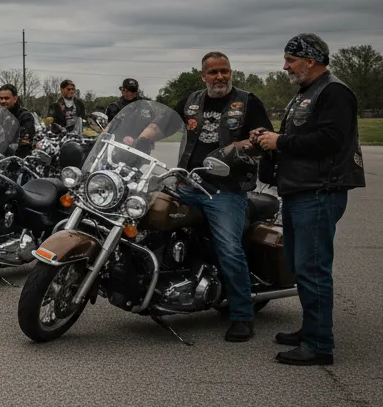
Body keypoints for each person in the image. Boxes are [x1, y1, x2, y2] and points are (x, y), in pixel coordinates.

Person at [140, 51, 272, 343]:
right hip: (188, 184)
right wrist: (142, 137)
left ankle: (241, 315)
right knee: (148, 219)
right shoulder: (191, 101)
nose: (220, 77)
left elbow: (264, 136)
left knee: (228, 246)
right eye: (213, 72)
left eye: (224, 71)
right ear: (203, 75)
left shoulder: (247, 101)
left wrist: (245, 144)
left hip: (225, 190)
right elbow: (164, 123)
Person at [253, 33, 366, 366]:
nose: (285, 66)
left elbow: (331, 140)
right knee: (299, 265)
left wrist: (280, 142)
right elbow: (302, 136)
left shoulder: (334, 92)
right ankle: (310, 328)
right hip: (300, 189)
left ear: (311, 60)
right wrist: (268, 140)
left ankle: (319, 344)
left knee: (313, 269)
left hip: (320, 192)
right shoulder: (307, 92)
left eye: (291, 60)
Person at [0, 84, 37, 157]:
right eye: (1, 98)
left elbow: (26, 140)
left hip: (18, 160)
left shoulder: (24, 116)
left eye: (6, 98)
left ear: (15, 99)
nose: (3, 101)